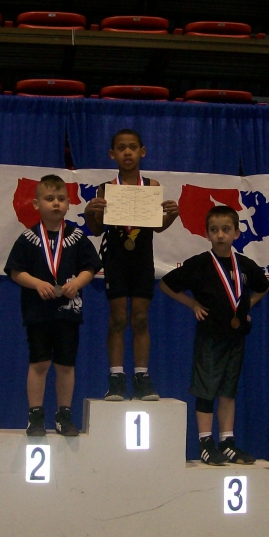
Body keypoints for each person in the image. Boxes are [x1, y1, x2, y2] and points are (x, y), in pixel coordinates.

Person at [159, 205, 269, 465]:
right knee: (206, 389)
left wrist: (245, 307)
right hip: (210, 336)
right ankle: (205, 442)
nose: (220, 235)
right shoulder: (199, 264)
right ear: (207, 233)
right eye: (214, 230)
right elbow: (165, 284)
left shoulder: (245, 265)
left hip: (236, 336)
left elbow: (263, 287)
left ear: (237, 233)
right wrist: (192, 304)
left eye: (226, 229)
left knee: (228, 391)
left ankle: (227, 441)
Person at [83, 129, 179, 401]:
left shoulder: (151, 185)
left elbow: (157, 227)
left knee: (139, 318)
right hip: (115, 258)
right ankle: (116, 379)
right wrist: (90, 213)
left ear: (142, 152)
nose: (127, 152)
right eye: (122, 148)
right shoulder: (106, 188)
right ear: (112, 154)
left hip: (141, 259)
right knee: (118, 318)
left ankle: (141, 377)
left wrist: (172, 216)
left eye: (133, 147)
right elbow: (97, 228)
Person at [5, 175, 102, 437]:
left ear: (69, 204)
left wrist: (78, 283)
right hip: (38, 313)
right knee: (39, 364)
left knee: (66, 365)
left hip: (68, 314)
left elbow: (91, 267)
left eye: (61, 199)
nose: (56, 203)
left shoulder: (77, 237)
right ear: (37, 204)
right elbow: (15, 271)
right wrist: (37, 283)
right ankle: (35, 417)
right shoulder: (27, 238)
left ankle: (64, 415)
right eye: (50, 199)